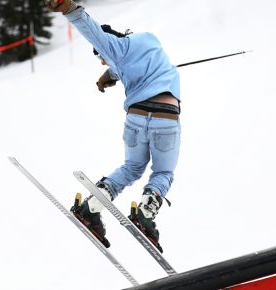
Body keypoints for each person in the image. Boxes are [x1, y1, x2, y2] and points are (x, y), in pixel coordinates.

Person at [47, 0, 181, 253]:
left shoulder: (116, 48)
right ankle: (145, 211)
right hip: (166, 117)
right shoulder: (147, 41)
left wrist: (69, 9)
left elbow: (96, 34)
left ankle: (93, 204)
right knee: (163, 173)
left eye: (104, 59)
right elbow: (122, 63)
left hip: (137, 116)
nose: (105, 63)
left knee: (132, 167)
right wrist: (110, 75)